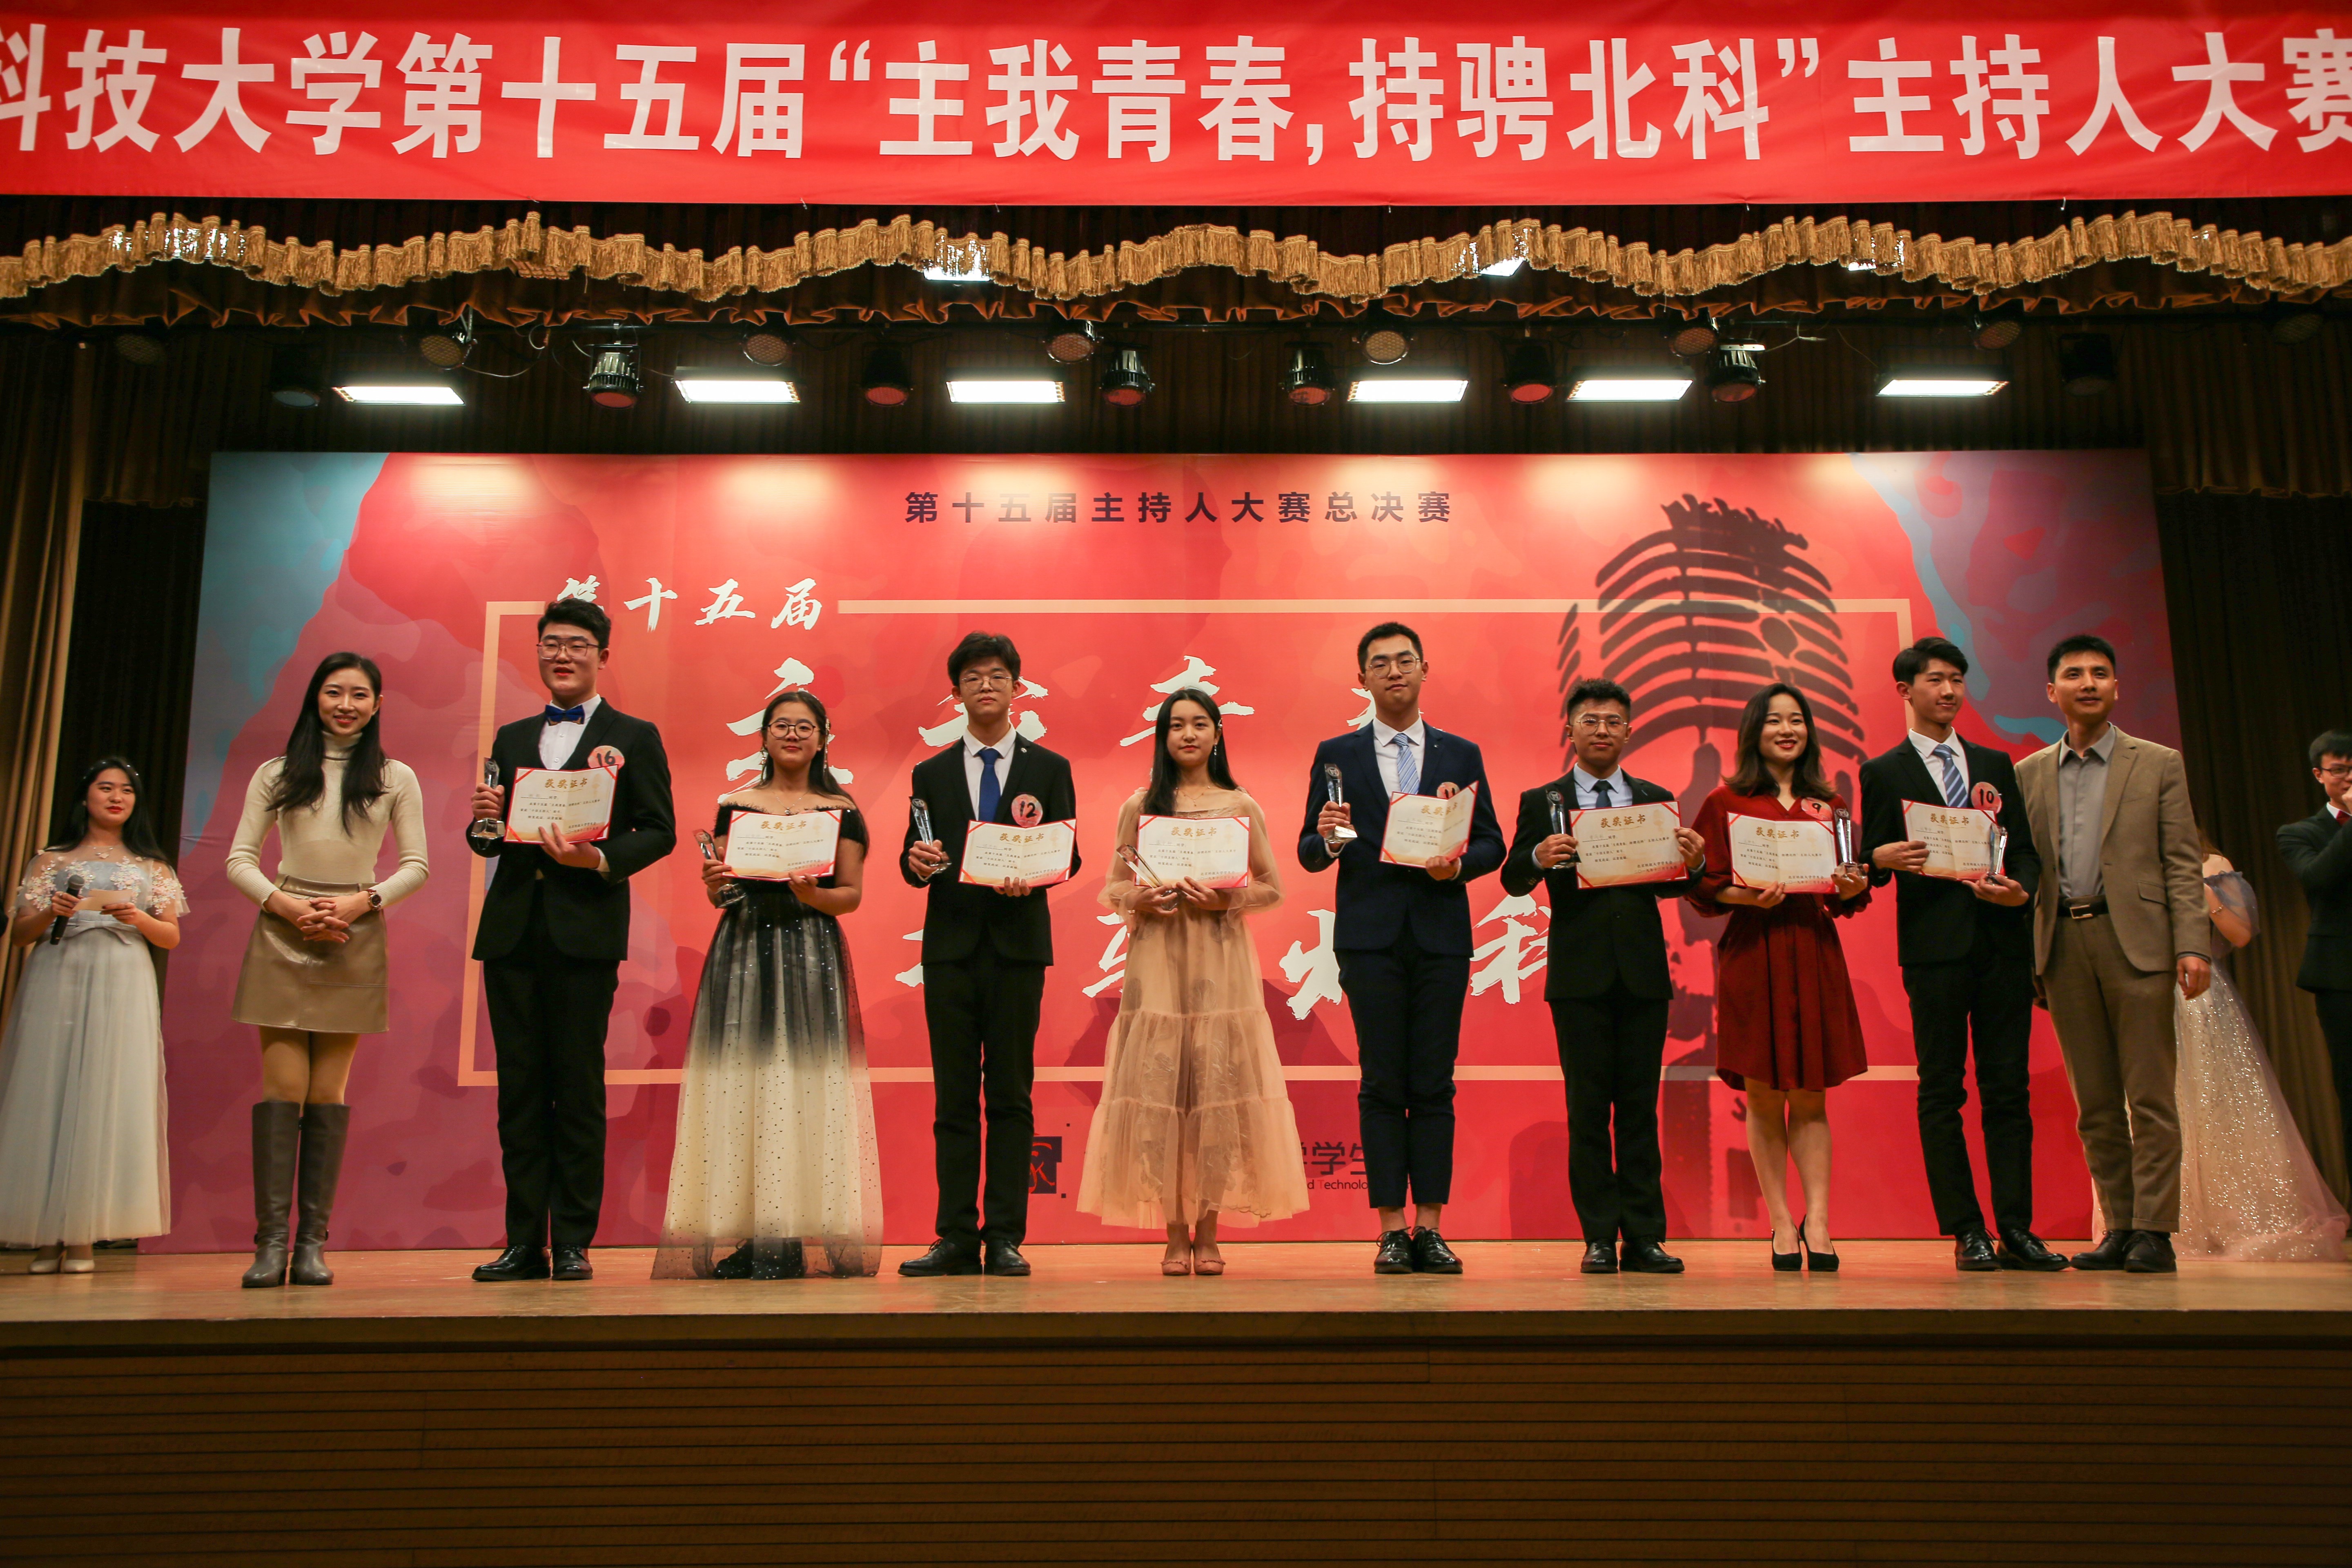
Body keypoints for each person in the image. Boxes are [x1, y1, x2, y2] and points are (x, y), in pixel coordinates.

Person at [466, 597, 676, 1283]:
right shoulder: (511, 738)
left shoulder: (634, 735)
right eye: (552, 643)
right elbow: (489, 840)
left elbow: (659, 829)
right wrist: (485, 820)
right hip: (512, 933)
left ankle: (576, 1240)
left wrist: (599, 860)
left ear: (602, 657)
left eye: (577, 645)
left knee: (578, 1087)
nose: (562, 655)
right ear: (538, 653)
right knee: (520, 1091)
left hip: (585, 932)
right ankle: (524, 1241)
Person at [1297, 622, 1505, 1276]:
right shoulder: (1337, 755)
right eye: (1381, 663)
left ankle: (1432, 1228)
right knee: (1383, 1081)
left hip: (1441, 936)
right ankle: (1391, 1229)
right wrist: (1328, 838)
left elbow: (1492, 842)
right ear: (1362, 677)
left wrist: (1458, 867)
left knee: (1435, 1083)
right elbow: (1310, 851)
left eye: (1405, 660)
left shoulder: (1460, 754)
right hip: (1371, 940)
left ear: (1424, 670)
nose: (1394, 672)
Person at [1078, 688, 1308, 1275]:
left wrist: (1225, 898)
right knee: (1162, 1095)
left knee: (1215, 1090)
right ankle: (1174, 1235)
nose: (1187, 735)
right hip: (1159, 959)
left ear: (1217, 734)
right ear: (1162, 736)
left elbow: (1271, 887)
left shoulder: (1240, 804)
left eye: (1199, 724)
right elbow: (1113, 886)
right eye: (1176, 725)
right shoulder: (1141, 806)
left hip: (1221, 961)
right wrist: (1142, 899)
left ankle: (1209, 1233)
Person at [1857, 637, 2068, 1274]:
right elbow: (1869, 862)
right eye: (1935, 680)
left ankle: (2017, 1228)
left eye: (1957, 679)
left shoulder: (1995, 764)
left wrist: (2022, 890)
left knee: (2008, 1090)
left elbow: (2022, 848)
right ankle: (1966, 1229)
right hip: (1934, 953)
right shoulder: (1884, 772)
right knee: (1942, 1090)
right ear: (1906, 691)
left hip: (2001, 946)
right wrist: (1879, 858)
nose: (1949, 691)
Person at [655, 689, 882, 1280]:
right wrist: (714, 884)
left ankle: (791, 1234)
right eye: (781, 726)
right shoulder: (737, 807)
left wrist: (813, 895)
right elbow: (724, 891)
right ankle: (757, 1235)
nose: (792, 735)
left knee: (803, 1086)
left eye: (805, 727)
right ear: (764, 736)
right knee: (744, 1086)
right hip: (743, 949)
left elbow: (850, 897)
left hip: (811, 949)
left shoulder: (842, 810)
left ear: (823, 738)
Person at [223, 653, 430, 1289]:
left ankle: (311, 1245)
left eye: (359, 695)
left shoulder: (395, 777)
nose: (346, 705)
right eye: (334, 692)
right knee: (282, 1090)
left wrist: (360, 903)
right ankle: (270, 1246)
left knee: (326, 1094)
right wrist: (285, 906)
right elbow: (239, 859)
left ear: (378, 705)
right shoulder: (278, 772)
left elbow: (417, 866)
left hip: (354, 932)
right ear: (316, 697)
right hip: (282, 927)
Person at [1500, 677, 1708, 1276]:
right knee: (1588, 1110)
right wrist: (1537, 857)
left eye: (1613, 721)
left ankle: (1644, 1237)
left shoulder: (1654, 799)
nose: (1601, 730)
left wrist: (1694, 864)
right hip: (1579, 976)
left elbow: (1672, 883)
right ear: (1569, 729)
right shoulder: (1543, 800)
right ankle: (1597, 1235)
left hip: (1643, 975)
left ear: (1629, 731)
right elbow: (1513, 879)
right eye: (1590, 720)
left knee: (1640, 1110)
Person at [2017, 633, 2209, 1275]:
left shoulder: (2158, 763)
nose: (2089, 683)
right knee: (2095, 1104)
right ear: (2053, 692)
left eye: (2101, 673)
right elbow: (2024, 871)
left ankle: (2156, 1230)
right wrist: (2029, 957)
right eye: (2074, 674)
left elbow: (2182, 862)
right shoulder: (2028, 774)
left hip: (2140, 943)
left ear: (2117, 687)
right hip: (2063, 946)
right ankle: (2120, 1226)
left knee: (2150, 1098)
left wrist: (2192, 944)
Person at [898, 632, 1080, 1278]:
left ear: (1017, 688)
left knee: (1010, 1096)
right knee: (953, 1100)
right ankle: (954, 1235)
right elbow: (914, 858)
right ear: (956, 692)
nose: (986, 686)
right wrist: (917, 863)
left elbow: (1069, 854)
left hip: (1016, 950)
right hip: (950, 951)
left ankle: (1004, 1235)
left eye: (998, 675)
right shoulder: (931, 772)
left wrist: (1036, 875)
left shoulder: (1050, 768)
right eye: (973, 677)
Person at [1687, 684, 1872, 1272]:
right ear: (1754, 731)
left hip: (1812, 949)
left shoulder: (1829, 805)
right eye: (1774, 721)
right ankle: (1782, 1223)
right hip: (1754, 952)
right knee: (1765, 1095)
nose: (1787, 730)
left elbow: (1844, 894)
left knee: (1811, 1097)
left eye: (1796, 720)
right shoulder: (1725, 801)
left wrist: (1853, 886)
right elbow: (1704, 885)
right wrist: (1748, 897)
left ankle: (1819, 1220)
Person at [0, 758, 184, 1273]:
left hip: (123, 977)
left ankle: (83, 1236)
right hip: (59, 972)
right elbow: (20, 934)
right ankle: (44, 1236)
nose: (116, 797)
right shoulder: (50, 860)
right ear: (85, 797)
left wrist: (138, 916)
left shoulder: (153, 867)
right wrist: (52, 911)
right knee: (47, 1088)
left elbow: (171, 936)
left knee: (107, 1094)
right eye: (106, 788)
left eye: (127, 790)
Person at [2175, 832, 2349, 1260]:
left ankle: (2233, 1216)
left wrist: (2203, 891)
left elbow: (2241, 935)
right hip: (2146, 992)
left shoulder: (2212, 864)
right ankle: (2170, 1221)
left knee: (2221, 1107)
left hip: (2201, 997)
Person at [2277, 728, 2352, 1177]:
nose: (2349, 778)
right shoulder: (2300, 833)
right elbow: (2318, 878)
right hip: (2341, 976)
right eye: (2340, 770)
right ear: (2319, 775)